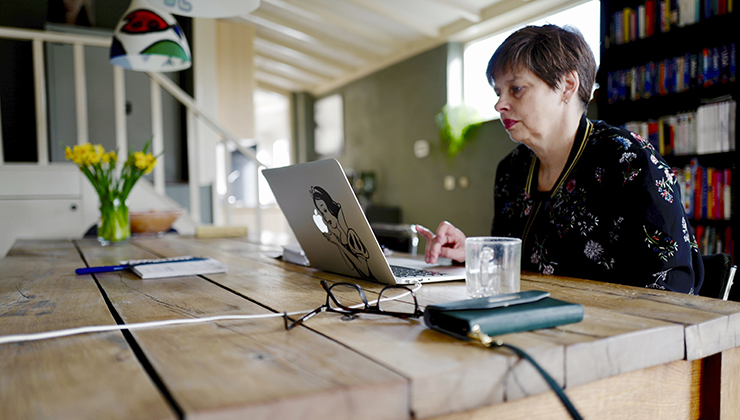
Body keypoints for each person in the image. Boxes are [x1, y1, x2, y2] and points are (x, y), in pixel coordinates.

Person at [416, 24, 703, 294]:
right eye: (498, 92)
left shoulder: (628, 161)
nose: (499, 104)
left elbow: (672, 285)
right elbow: (519, 271)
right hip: (528, 327)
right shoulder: (512, 171)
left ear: (567, 85)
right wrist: (473, 253)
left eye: (516, 88)